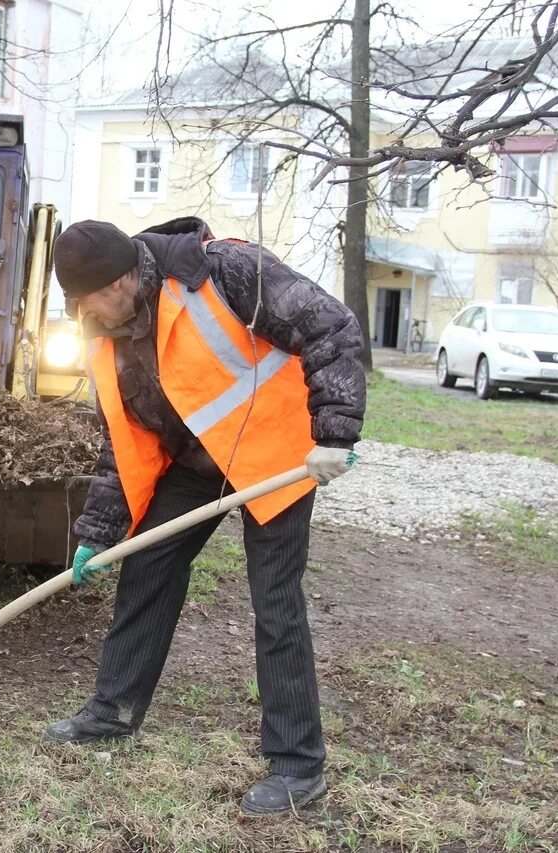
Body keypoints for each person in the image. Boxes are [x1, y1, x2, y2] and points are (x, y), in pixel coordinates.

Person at [42, 218, 365, 816]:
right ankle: (113, 713)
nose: (85, 315)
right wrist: (97, 534)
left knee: (274, 599)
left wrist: (335, 430)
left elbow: (332, 326)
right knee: (148, 565)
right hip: (198, 461)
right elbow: (123, 439)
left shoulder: (222, 272)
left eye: (88, 301)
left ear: (119, 282)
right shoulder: (105, 332)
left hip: (275, 451)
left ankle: (297, 768)